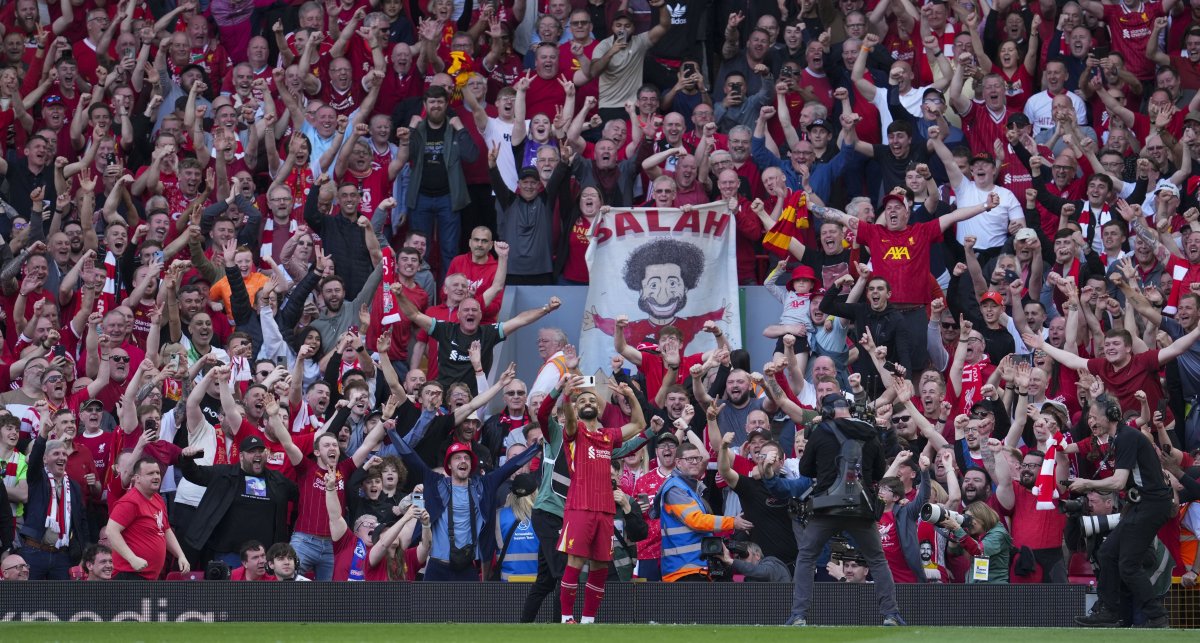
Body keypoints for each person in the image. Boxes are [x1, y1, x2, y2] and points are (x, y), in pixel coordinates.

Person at [783, 393, 903, 626]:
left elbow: (805, 469)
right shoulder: (869, 432)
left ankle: (799, 615)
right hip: (861, 508)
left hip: (827, 508)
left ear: (827, 411)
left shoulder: (821, 432)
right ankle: (891, 614)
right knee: (877, 560)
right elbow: (879, 474)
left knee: (806, 557)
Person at [1071, 395, 1175, 629]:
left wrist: (1087, 483)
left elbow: (1118, 482)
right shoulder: (1120, 437)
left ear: (1111, 416)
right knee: (1108, 552)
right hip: (1141, 505)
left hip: (1151, 505)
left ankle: (1157, 616)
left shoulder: (1127, 437)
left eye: (1094, 417)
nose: (1090, 421)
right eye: (1089, 417)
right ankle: (1109, 611)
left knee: (1128, 565)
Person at [558, 379, 646, 622]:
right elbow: (570, 419)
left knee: (600, 565)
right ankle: (566, 618)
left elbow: (639, 424)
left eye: (592, 400)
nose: (588, 403)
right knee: (575, 562)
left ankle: (588, 620)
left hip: (605, 509)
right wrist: (567, 397)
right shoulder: (574, 432)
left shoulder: (608, 435)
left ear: (598, 408)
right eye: (582, 401)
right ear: (576, 409)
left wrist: (630, 396)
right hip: (580, 506)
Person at [655, 434, 752, 582]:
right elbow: (696, 520)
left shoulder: (689, 487)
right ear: (678, 463)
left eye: (697, 458)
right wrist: (733, 522)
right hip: (683, 570)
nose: (695, 462)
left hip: (695, 567)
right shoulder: (675, 489)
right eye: (689, 459)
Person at [106, 457, 189, 580]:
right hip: (129, 575)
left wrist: (180, 555)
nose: (156, 477)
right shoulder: (130, 502)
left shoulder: (158, 499)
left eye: (157, 473)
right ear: (137, 478)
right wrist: (132, 558)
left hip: (148, 577)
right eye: (150, 473)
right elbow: (111, 531)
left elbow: (166, 530)